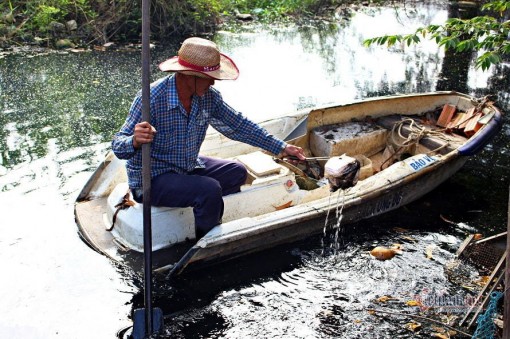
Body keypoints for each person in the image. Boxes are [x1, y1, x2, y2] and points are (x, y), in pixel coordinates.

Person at [112, 37, 305, 239]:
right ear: (187, 76)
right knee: (208, 189)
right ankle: (206, 242)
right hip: (152, 179)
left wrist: (281, 148)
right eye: (208, 77)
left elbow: (239, 125)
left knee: (237, 172)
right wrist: (134, 140)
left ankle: (204, 213)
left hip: (186, 166)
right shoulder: (151, 98)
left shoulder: (208, 97)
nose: (213, 81)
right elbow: (118, 146)